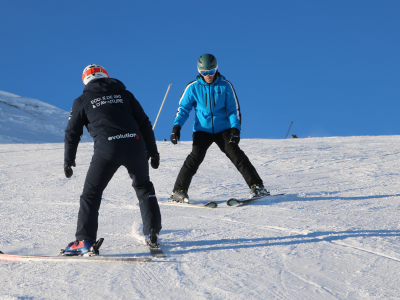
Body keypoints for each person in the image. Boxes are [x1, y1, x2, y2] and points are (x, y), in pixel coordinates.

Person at [62, 64, 162, 255]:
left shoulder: (82, 100)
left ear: (85, 80)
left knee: (91, 194)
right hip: (135, 146)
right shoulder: (125, 94)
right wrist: (153, 151)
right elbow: (144, 123)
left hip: (107, 150)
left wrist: (69, 160)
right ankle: (152, 234)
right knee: (144, 188)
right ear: (106, 76)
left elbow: (72, 132)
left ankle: (84, 241)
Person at [169, 54, 269, 203]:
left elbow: (233, 110)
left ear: (216, 69)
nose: (208, 75)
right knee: (194, 158)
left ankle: (257, 186)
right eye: (204, 73)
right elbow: (183, 109)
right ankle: (179, 191)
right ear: (199, 72)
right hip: (202, 130)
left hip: (223, 129)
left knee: (236, 155)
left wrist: (235, 129)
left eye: (211, 71)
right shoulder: (193, 88)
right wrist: (176, 127)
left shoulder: (225, 86)